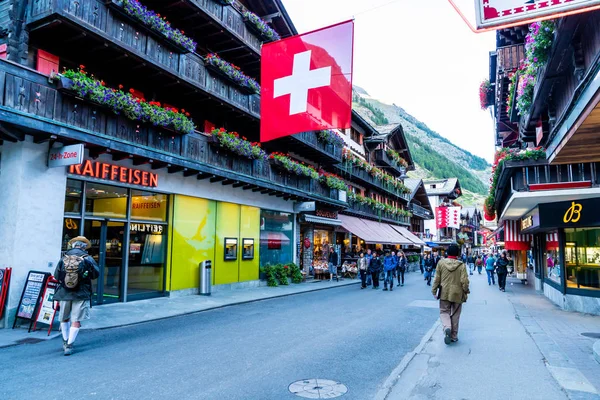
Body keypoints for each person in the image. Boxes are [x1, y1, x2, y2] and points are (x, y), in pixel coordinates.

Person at [53, 236, 100, 356]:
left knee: (64, 318)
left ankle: (64, 340)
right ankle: (69, 344)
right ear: (84, 247)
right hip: (81, 293)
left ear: (73, 245)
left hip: (64, 293)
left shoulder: (64, 258)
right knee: (76, 320)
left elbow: (56, 276)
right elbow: (96, 274)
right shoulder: (88, 258)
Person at [432, 244, 470, 345]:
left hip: (444, 292)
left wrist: (434, 291)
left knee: (444, 311)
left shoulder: (441, 263)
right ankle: (454, 336)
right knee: (456, 314)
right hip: (457, 293)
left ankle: (447, 327)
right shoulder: (461, 265)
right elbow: (464, 281)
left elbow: (436, 279)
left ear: (447, 253)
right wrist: (466, 291)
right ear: (457, 254)